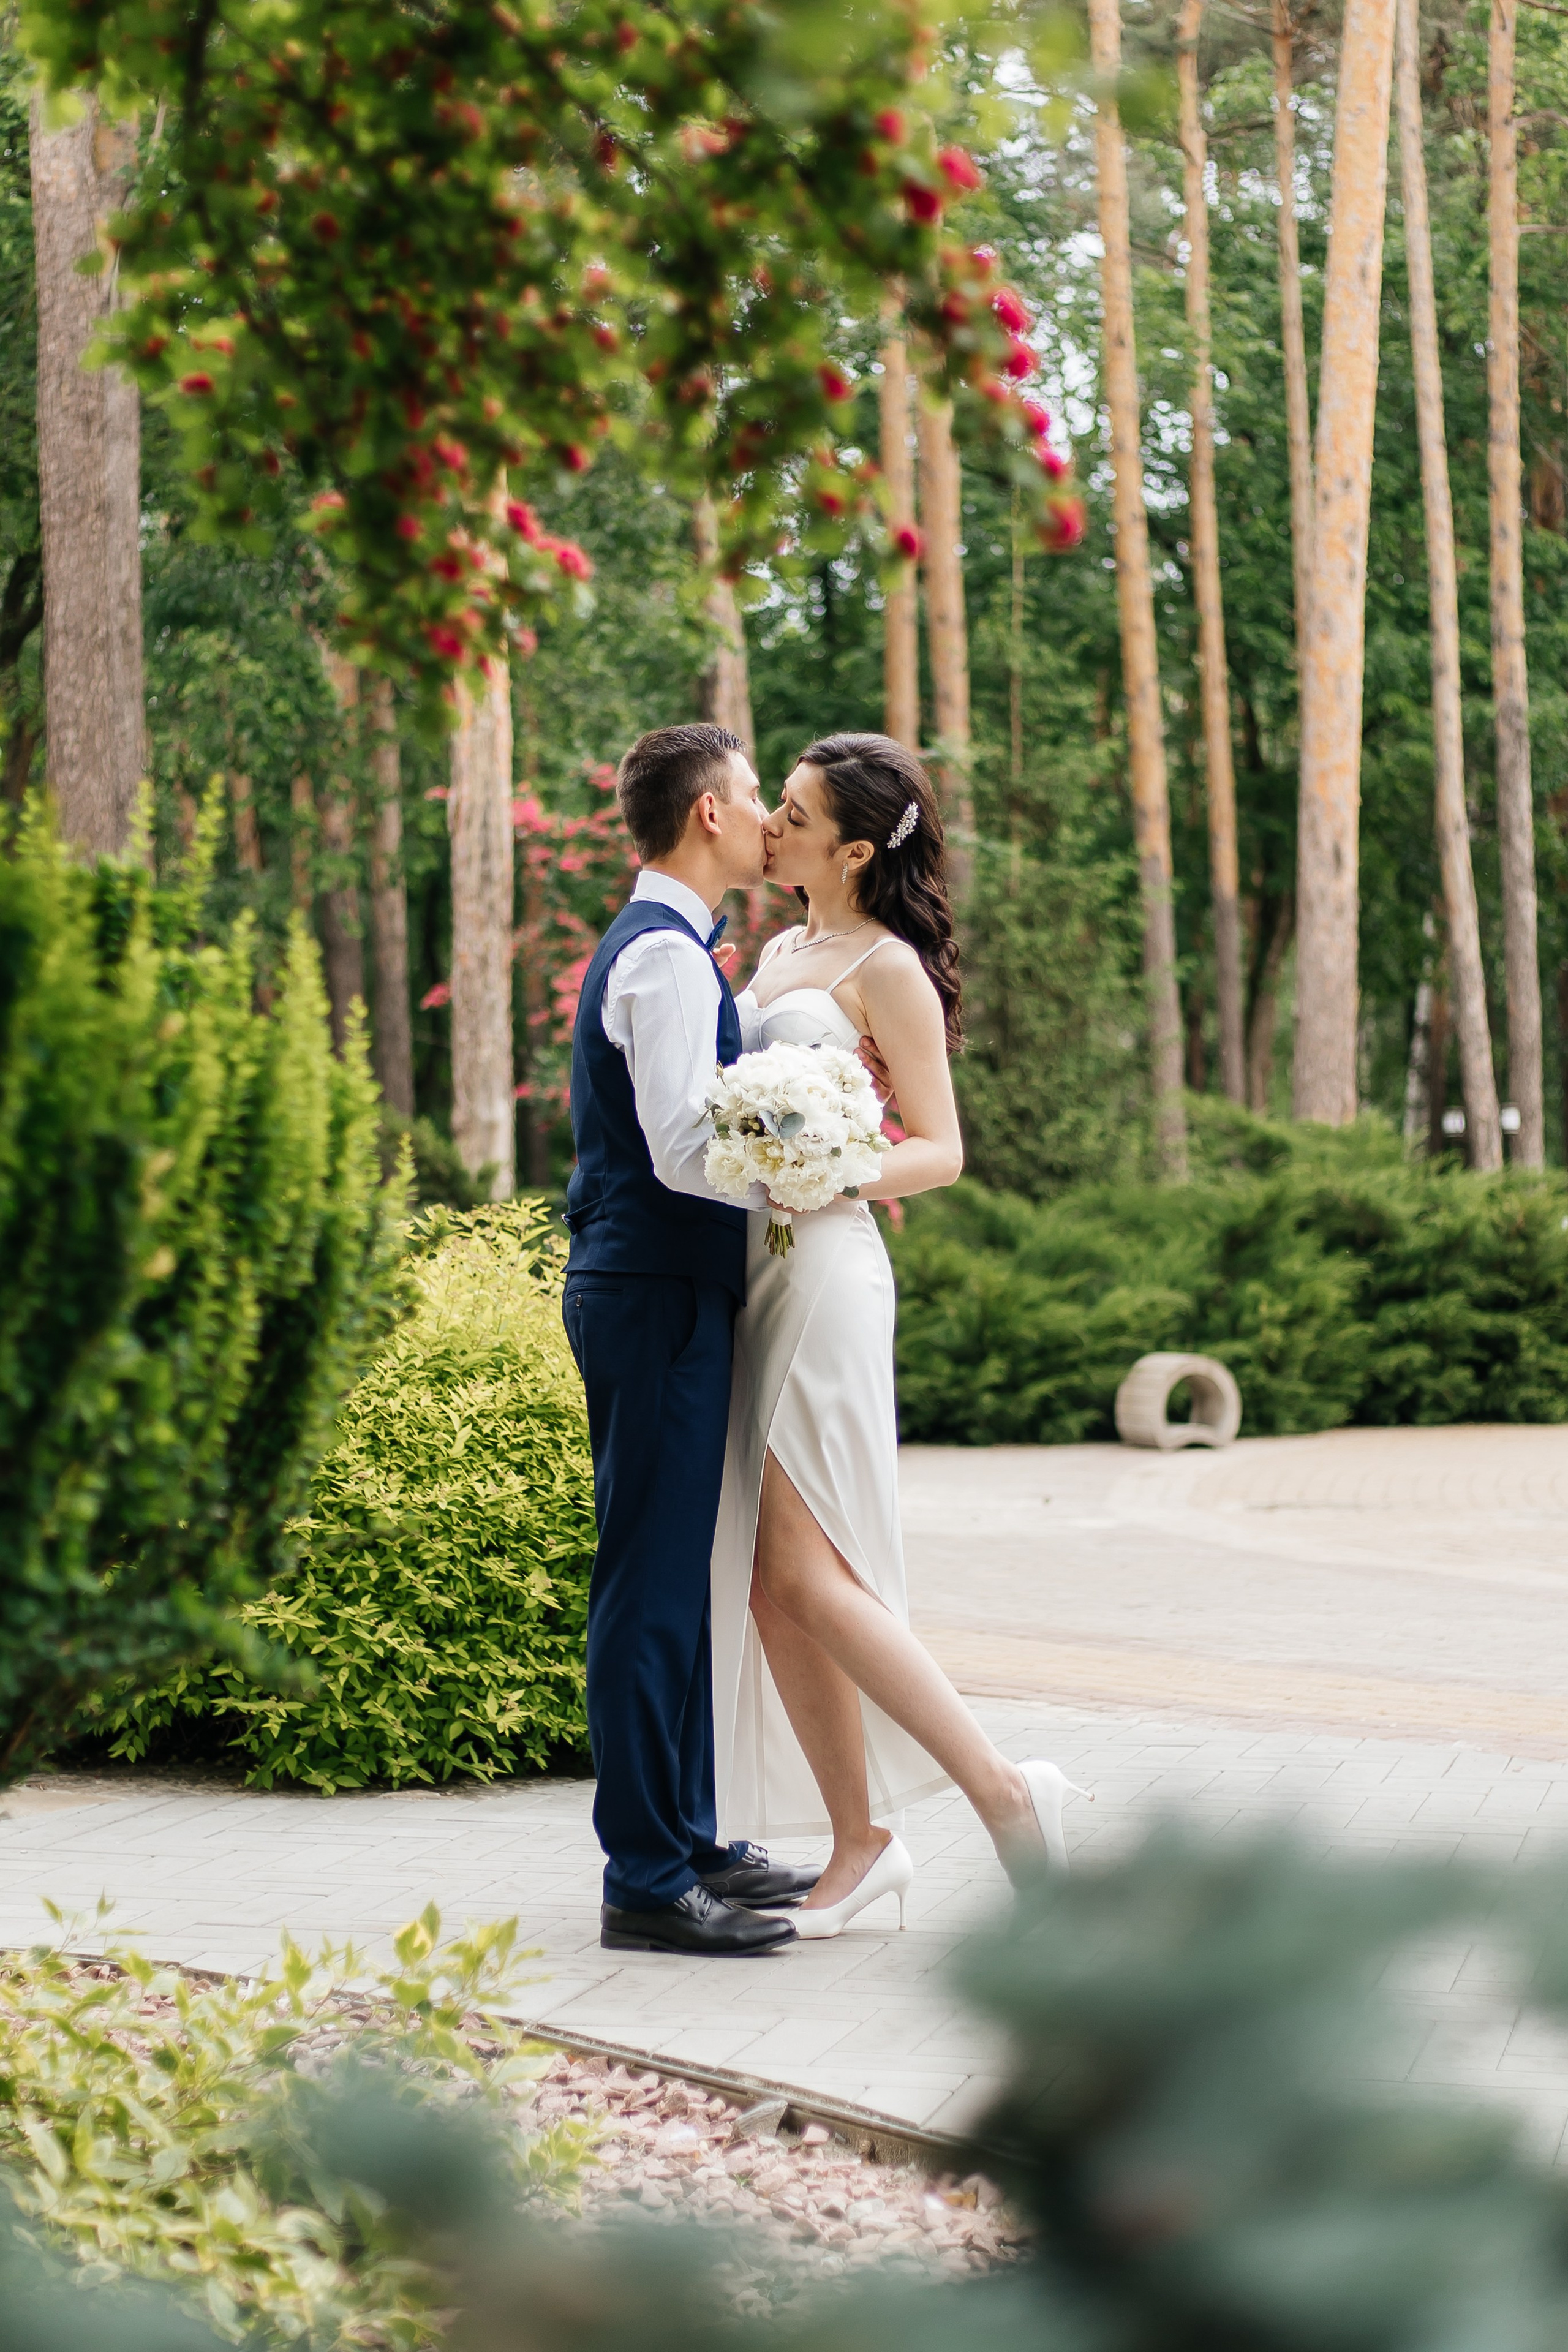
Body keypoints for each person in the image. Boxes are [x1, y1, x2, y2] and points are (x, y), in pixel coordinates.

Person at [710, 732, 1088, 1939]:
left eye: (793, 810)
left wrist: (834, 1168)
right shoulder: (776, 951)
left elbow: (941, 1145)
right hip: (759, 1270)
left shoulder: (885, 969)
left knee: (809, 1576)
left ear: (854, 848)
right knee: (776, 1591)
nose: (769, 820)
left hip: (826, 1267)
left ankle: (1002, 1793)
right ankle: (860, 1843)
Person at [562, 723, 820, 1957]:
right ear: (708, 813)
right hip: (651, 1287)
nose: (766, 812)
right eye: (752, 792)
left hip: (666, 1286)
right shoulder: (662, 961)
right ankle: (646, 1879)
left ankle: (692, 1834)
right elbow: (676, 1146)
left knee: (680, 1579)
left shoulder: (681, 951)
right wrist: (791, 1177)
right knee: (649, 1583)